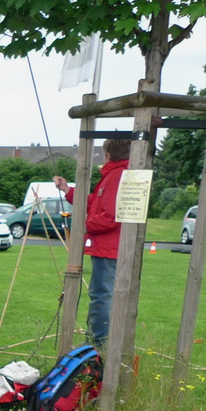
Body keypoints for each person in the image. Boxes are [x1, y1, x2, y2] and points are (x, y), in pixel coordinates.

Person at [53, 137, 129, 346]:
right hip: (108, 247)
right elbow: (95, 203)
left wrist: (85, 226)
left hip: (108, 248)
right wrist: (68, 190)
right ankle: (98, 338)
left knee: (101, 295)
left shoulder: (117, 176)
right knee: (102, 294)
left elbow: (110, 216)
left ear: (108, 155)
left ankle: (99, 342)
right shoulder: (114, 174)